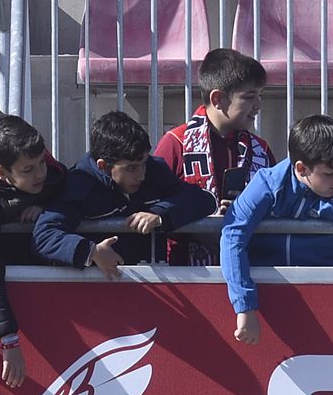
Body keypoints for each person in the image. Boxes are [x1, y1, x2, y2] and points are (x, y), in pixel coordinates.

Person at [221, 115, 333, 359]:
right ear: (301, 168)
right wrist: (244, 306)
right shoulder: (267, 183)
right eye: (329, 172)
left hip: (327, 300)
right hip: (266, 303)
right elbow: (232, 236)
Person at [33, 111, 218, 276]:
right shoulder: (80, 185)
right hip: (96, 291)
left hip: (155, 286)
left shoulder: (154, 169)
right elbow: (44, 235)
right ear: (103, 166)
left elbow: (203, 199)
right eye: (131, 168)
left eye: (144, 164)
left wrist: (160, 214)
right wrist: (92, 252)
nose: (142, 175)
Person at [153, 47, 275, 264]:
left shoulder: (261, 150)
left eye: (260, 96)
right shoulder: (176, 143)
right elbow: (154, 204)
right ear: (218, 98)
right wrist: (202, 221)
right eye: (249, 97)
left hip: (250, 268)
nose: (258, 105)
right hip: (185, 275)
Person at [0, 115, 67, 388]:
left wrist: (51, 207)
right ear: (0, 172)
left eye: (41, 164)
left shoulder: (42, 163)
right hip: (16, 309)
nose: (40, 174)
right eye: (28, 170)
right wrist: (8, 338)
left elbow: (70, 182)